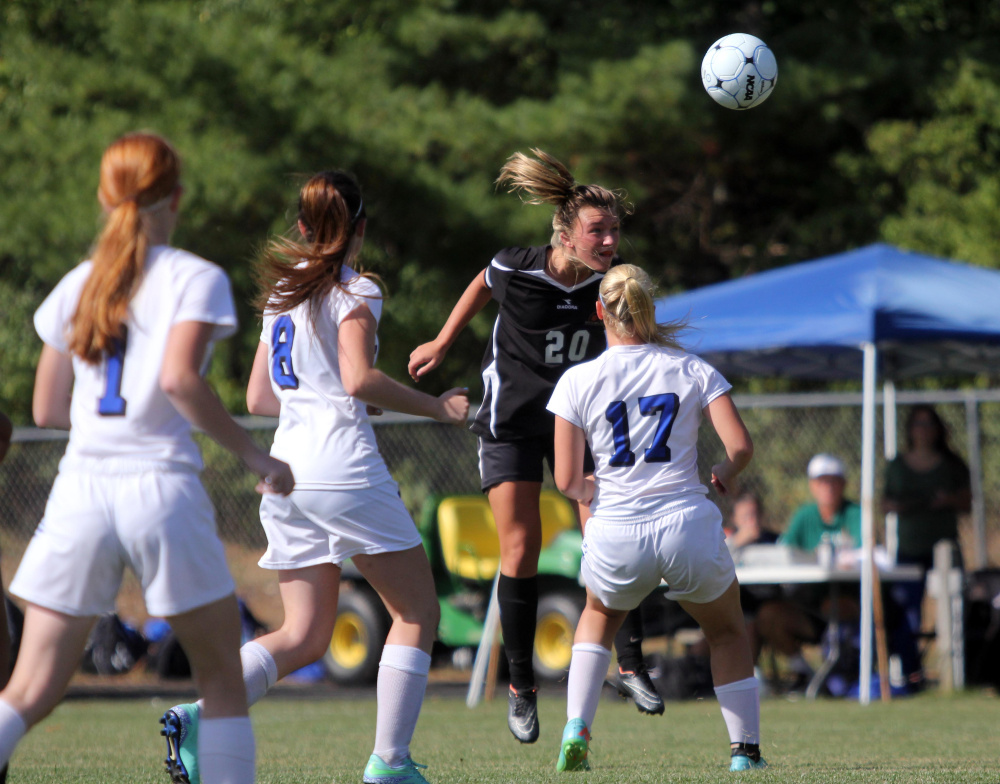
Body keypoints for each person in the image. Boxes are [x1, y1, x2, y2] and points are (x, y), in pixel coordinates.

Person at [0, 132, 294, 784]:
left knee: (28, 692)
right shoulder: (195, 277)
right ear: (176, 198)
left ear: (105, 199)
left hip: (80, 488)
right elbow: (179, 380)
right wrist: (253, 455)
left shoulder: (79, 284)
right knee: (220, 680)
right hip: (158, 485)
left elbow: (47, 408)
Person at [160, 170, 469, 784]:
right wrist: (437, 406)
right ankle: (391, 762)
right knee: (416, 613)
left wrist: (334, 398)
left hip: (287, 473)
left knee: (302, 635)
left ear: (302, 227)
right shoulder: (358, 290)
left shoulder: (282, 293)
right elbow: (356, 380)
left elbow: (258, 395)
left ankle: (197, 717)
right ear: (360, 227)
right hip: (342, 469)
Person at [408, 149, 660, 741]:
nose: (608, 240)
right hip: (513, 420)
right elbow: (481, 283)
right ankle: (521, 687)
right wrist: (443, 342)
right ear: (566, 234)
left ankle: (632, 663)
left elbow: (638, 330)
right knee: (520, 548)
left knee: (611, 533)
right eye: (597, 230)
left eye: (614, 229)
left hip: (581, 422)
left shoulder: (615, 279)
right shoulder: (517, 267)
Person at [547, 264, 766, 773]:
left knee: (597, 620)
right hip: (685, 520)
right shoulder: (691, 368)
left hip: (617, 528)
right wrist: (724, 471)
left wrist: (596, 490)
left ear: (599, 310)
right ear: (649, 309)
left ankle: (577, 726)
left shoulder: (577, 379)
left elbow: (566, 481)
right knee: (727, 632)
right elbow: (740, 446)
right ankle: (745, 754)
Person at [883, 405, 970, 683]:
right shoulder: (898, 465)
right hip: (909, 549)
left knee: (954, 606)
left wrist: (948, 500)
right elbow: (885, 502)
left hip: (944, 549)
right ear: (910, 429)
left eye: (928, 423)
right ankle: (912, 672)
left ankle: (956, 673)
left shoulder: (952, 464)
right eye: (917, 423)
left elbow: (967, 502)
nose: (923, 429)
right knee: (906, 609)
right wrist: (903, 505)